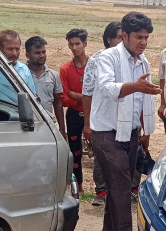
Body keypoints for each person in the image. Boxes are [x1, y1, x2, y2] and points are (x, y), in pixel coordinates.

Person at [90, 12, 161, 231]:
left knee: (118, 186)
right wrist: (136, 86)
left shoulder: (142, 62)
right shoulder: (107, 58)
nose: (143, 42)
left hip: (130, 133)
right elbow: (108, 89)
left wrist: (144, 132)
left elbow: (143, 99)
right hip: (106, 132)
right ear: (124, 35)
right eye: (139, 37)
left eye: (147, 37)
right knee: (121, 187)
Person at [82, 21, 123, 206]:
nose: (123, 42)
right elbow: (87, 92)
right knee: (101, 155)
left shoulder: (129, 60)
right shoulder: (96, 60)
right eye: (119, 38)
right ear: (109, 39)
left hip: (122, 118)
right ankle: (101, 191)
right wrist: (87, 123)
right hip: (102, 118)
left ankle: (120, 191)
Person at [60, 28, 89, 194]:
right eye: (71, 44)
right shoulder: (65, 69)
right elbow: (64, 99)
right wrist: (86, 98)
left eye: (77, 43)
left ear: (85, 44)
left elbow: (98, 94)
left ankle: (102, 188)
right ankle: (78, 183)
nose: (74, 47)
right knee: (75, 151)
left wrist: (76, 95)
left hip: (92, 114)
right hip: (73, 115)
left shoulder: (94, 66)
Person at [25, 36, 66, 139]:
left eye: (44, 52)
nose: (42, 55)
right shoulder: (20, 73)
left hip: (47, 124)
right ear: (27, 55)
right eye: (37, 53)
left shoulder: (53, 75)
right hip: (26, 125)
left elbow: (57, 102)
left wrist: (61, 128)